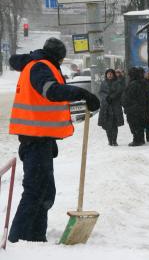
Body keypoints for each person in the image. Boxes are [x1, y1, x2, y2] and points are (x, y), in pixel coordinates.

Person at [7, 37, 100, 243]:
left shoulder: (36, 64)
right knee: (36, 191)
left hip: (40, 139)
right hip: (35, 140)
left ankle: (34, 238)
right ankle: (18, 239)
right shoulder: (41, 67)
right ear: (59, 57)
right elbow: (52, 92)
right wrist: (82, 93)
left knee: (44, 191)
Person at [98, 69, 124, 146]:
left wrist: (112, 97)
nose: (109, 75)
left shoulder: (117, 82)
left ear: (113, 74)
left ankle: (114, 140)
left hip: (115, 106)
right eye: (108, 74)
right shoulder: (103, 83)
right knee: (107, 125)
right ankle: (110, 140)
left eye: (111, 74)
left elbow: (119, 91)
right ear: (106, 75)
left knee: (114, 125)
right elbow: (100, 92)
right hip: (106, 107)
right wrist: (106, 97)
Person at [122, 67, 147, 146]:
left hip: (133, 109)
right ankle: (140, 139)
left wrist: (127, 104)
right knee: (138, 124)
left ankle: (137, 140)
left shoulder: (134, 84)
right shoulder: (140, 83)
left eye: (129, 74)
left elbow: (130, 97)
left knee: (134, 125)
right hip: (137, 108)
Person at [142, 68, 149, 142]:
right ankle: (148, 137)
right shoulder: (142, 83)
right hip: (145, 105)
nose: (148, 75)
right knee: (146, 121)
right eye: (147, 73)